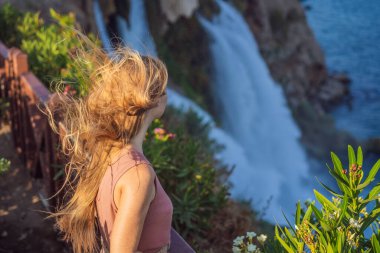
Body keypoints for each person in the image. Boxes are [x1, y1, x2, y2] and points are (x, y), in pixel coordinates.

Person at [45, 31, 173, 253]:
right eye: (162, 88)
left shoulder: (107, 152)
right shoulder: (138, 175)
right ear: (152, 101)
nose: (167, 94)